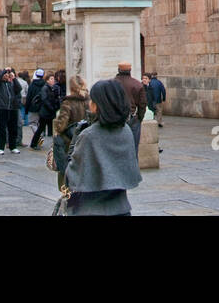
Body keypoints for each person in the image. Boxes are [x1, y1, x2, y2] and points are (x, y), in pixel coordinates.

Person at [62, 80, 142, 216]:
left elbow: (72, 176)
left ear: (97, 105)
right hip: (121, 208)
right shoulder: (126, 131)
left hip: (90, 210)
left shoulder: (89, 135)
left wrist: (76, 137)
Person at [52, 76, 89, 191]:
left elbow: (61, 125)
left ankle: (67, 196)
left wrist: (56, 127)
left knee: (66, 173)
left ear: (71, 88)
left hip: (69, 143)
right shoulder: (89, 101)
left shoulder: (68, 103)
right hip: (85, 142)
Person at [114, 62, 148, 154]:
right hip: (132, 117)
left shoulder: (111, 84)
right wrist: (140, 117)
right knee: (133, 149)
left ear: (119, 70)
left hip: (114, 118)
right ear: (130, 70)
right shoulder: (137, 84)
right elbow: (142, 104)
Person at [0, 68, 22, 155]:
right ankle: (0, 147)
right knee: (2, 129)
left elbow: (19, 89)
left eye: (7, 75)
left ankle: (13, 146)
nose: (6, 76)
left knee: (13, 129)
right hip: (2, 108)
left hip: (12, 108)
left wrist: (14, 78)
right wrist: (4, 70)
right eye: (5, 75)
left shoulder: (11, 84)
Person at [26, 69, 48, 148]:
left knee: (32, 123)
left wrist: (26, 108)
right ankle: (40, 135)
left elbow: (28, 97)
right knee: (40, 124)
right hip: (42, 108)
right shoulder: (45, 84)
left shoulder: (32, 85)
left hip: (33, 107)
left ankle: (39, 136)